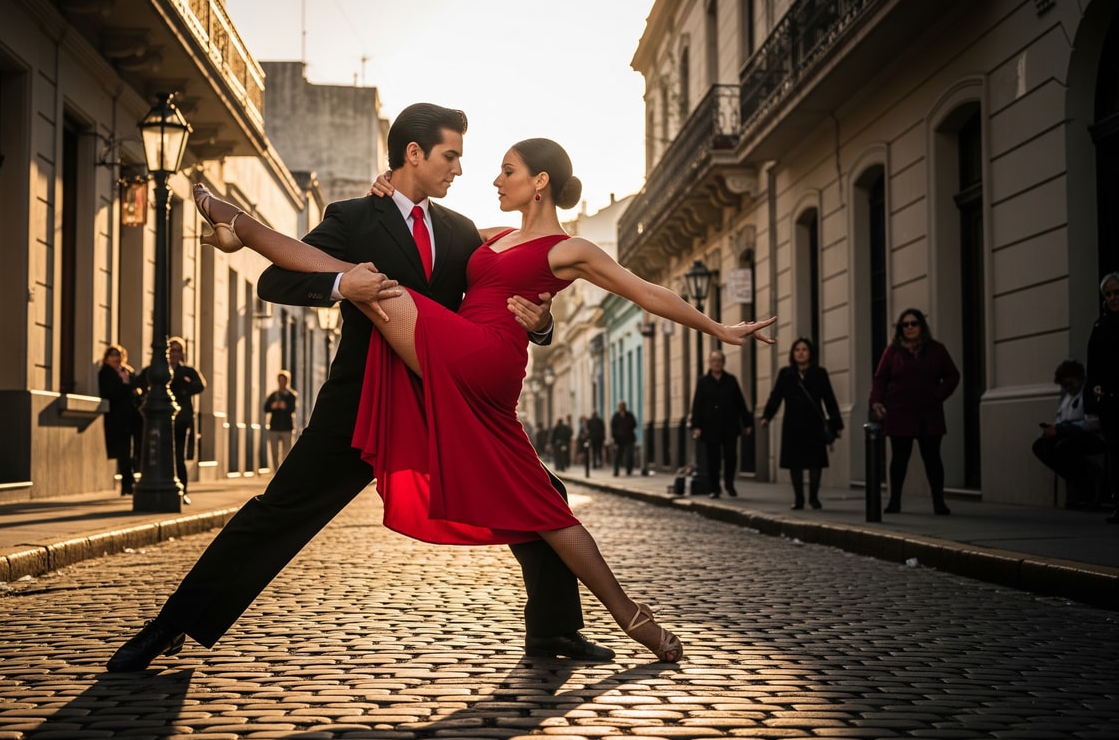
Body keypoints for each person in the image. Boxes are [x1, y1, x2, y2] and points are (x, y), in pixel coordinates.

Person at [185, 133, 776, 663]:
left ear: (539, 182)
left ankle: (238, 225)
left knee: (376, 288)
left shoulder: (571, 249)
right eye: (484, 166)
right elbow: (425, 235)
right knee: (546, 503)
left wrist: (720, 329)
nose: (492, 178)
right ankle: (633, 620)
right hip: (468, 359)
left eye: (507, 169)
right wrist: (389, 197)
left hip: (485, 357)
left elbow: (646, 292)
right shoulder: (490, 236)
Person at [107, 104, 607, 673]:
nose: (459, 171)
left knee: (542, 496)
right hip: (361, 399)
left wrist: (541, 326)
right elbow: (276, 277)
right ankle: (171, 626)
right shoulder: (350, 216)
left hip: (439, 399)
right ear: (413, 155)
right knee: (280, 511)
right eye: (450, 156)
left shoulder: (460, 230)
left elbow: (511, 281)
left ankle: (555, 633)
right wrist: (343, 282)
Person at [869, 309, 960, 515]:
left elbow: (953, 375)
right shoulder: (892, 351)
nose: (909, 327)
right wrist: (876, 402)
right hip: (900, 411)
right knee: (899, 459)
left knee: (933, 458)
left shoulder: (936, 349)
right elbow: (880, 378)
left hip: (929, 412)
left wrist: (938, 395)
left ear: (921, 326)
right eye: (905, 324)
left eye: (914, 323)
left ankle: (939, 501)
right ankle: (894, 501)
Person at [760, 338, 843, 510]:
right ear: (793, 353)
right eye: (797, 349)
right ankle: (799, 499)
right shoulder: (786, 373)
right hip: (793, 425)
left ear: (810, 353)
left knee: (815, 463)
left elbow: (829, 399)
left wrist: (836, 424)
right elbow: (776, 397)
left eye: (804, 349)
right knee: (794, 463)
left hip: (814, 424)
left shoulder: (819, 373)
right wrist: (767, 416)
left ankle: (813, 498)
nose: (801, 352)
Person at [138, 337, 207, 505]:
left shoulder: (187, 372)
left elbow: (201, 385)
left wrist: (185, 387)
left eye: (177, 350)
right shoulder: (155, 371)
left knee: (178, 455)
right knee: (155, 453)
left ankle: (182, 490)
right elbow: (137, 382)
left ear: (181, 353)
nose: (173, 354)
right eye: (171, 350)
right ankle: (155, 487)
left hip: (181, 420)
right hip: (157, 421)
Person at [1032, 359, 1105, 508]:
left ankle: (1089, 484)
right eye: (1065, 386)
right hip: (1070, 435)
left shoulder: (1088, 393)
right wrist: (1052, 428)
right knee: (1041, 446)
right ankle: (1077, 482)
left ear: (1080, 378)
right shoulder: (1067, 397)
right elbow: (1061, 419)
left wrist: (1062, 429)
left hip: (1092, 437)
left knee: (1064, 447)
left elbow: (1093, 423)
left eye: (1070, 384)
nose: (1068, 388)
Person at [690, 350, 753, 498]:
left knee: (731, 456)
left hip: (729, 425)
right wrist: (696, 426)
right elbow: (697, 405)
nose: (717, 363)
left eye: (719, 360)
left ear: (723, 363)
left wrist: (747, 422)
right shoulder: (703, 382)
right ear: (710, 363)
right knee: (713, 459)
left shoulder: (731, 380)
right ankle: (715, 488)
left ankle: (729, 483)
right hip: (710, 427)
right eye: (714, 360)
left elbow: (740, 402)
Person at [1085, 272, 1119, 523]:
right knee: (1115, 450)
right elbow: (1093, 363)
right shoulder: (1100, 325)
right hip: (1110, 398)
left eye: (1116, 292)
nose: (1113, 298)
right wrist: (1095, 391)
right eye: (1108, 294)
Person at [98, 344, 141, 496]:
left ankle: (130, 481)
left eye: (118, 355)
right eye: (112, 355)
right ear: (107, 358)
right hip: (117, 416)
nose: (116, 358)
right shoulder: (105, 373)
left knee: (134, 448)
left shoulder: (128, 371)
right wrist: (129, 389)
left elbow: (137, 388)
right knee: (123, 450)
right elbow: (110, 392)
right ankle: (127, 483)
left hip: (132, 415)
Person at [263, 370, 298, 472]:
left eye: (284, 380)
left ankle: (285, 472)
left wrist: (285, 407)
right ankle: (276, 472)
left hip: (287, 427)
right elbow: (265, 408)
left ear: (287, 381)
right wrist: (272, 406)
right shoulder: (273, 395)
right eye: (280, 380)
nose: (282, 382)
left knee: (286, 453)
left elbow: (292, 409)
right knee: (274, 453)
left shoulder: (291, 395)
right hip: (274, 427)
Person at [611, 401, 638, 476]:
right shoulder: (616, 416)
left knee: (629, 455)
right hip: (619, 440)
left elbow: (634, 424)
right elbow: (613, 427)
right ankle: (616, 471)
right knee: (618, 456)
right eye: (620, 406)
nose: (622, 408)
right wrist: (615, 437)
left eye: (623, 406)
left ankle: (629, 470)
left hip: (629, 439)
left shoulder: (629, 415)